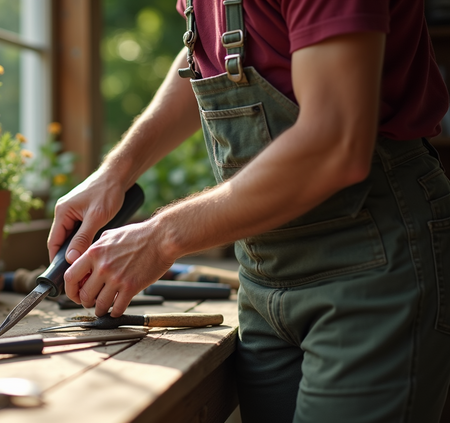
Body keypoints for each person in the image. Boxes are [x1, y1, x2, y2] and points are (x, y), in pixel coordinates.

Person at [47, 0, 450, 422]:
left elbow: (335, 145)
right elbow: (212, 51)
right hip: (263, 278)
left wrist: (160, 237)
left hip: (375, 262)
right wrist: (116, 171)